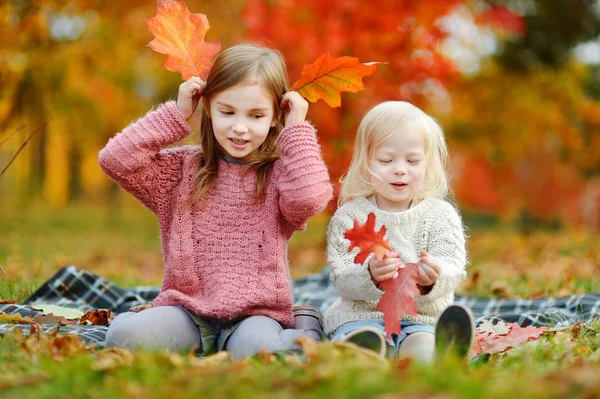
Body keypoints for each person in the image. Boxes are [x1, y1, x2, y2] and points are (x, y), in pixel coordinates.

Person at [99, 44, 332, 359]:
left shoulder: (279, 175)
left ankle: (306, 326)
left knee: (258, 355)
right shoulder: (181, 171)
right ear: (207, 106)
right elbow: (116, 159)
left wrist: (297, 129)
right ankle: (206, 339)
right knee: (122, 335)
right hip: (189, 313)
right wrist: (177, 114)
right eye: (227, 111)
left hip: (255, 315)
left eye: (256, 115)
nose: (239, 127)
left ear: (276, 114)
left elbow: (311, 198)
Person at [323, 101, 474, 362]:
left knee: (421, 345)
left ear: (427, 163)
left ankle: (437, 353)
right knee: (360, 341)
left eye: (412, 160)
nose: (400, 169)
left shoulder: (441, 215)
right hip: (361, 318)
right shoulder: (349, 217)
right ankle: (367, 353)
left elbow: (453, 267)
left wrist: (434, 277)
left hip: (421, 317)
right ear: (366, 162)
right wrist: (369, 275)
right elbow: (340, 274)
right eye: (386, 159)